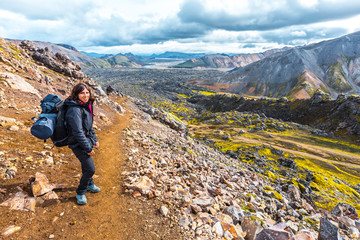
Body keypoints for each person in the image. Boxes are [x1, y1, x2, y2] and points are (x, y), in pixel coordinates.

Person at [65, 82, 100, 205]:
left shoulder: (85, 106)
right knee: (90, 169)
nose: (85, 95)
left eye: (87, 92)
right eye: (82, 93)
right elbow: (78, 132)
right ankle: (80, 192)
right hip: (77, 143)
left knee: (86, 166)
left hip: (84, 141)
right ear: (76, 94)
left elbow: (89, 126)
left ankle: (90, 184)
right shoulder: (74, 110)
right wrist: (87, 148)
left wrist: (94, 139)